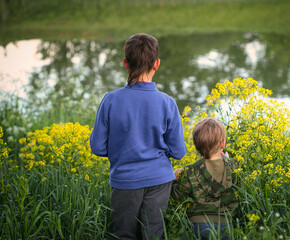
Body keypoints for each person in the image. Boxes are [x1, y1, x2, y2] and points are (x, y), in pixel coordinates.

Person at [90, 33, 186, 240]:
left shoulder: (110, 100)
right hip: (160, 179)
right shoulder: (167, 102)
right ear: (157, 64)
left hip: (124, 180)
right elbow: (179, 152)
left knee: (123, 234)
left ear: (125, 63)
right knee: (154, 234)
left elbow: (97, 147)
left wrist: (122, 150)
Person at [172, 117, 239, 240]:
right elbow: (240, 189)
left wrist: (175, 178)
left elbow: (177, 196)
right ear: (223, 143)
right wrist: (227, 161)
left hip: (198, 225)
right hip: (225, 225)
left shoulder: (190, 171)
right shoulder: (234, 166)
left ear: (196, 146)